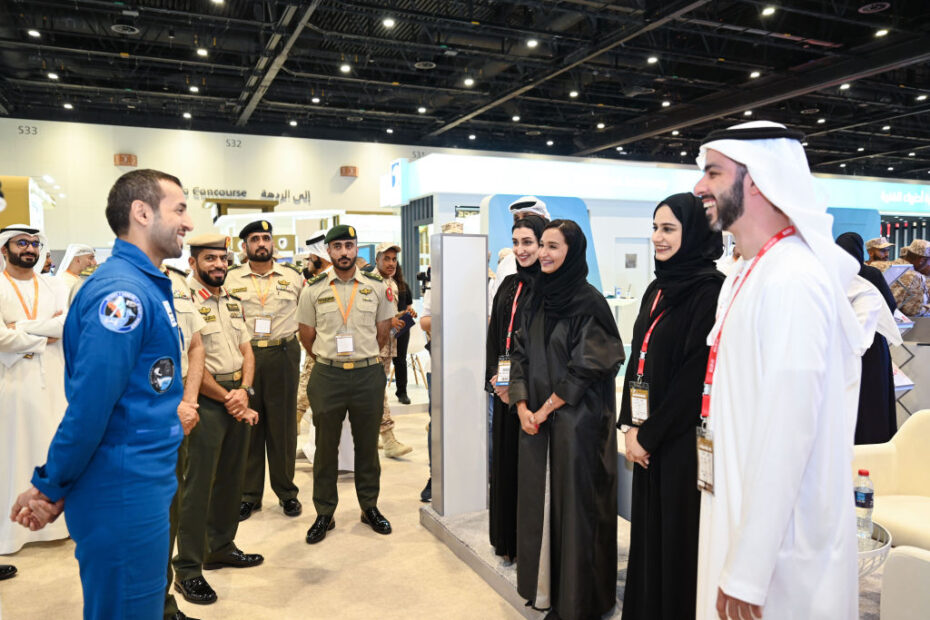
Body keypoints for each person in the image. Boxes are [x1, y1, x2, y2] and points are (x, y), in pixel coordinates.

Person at [692, 121, 867, 620]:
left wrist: (749, 569)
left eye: (713, 173)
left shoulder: (793, 277)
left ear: (758, 180)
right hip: (742, 517)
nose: (699, 187)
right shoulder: (751, 272)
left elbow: (789, 433)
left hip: (781, 553)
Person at [9, 168, 194, 619]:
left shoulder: (145, 285)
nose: (189, 222)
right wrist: (51, 484)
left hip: (138, 481)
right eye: (180, 209)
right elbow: (92, 407)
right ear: (142, 213)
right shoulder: (122, 296)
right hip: (124, 490)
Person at [509, 219, 624, 620]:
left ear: (572, 252)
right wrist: (522, 405)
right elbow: (519, 353)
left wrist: (543, 409)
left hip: (579, 427)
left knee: (577, 513)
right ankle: (544, 591)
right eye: (541, 245)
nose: (543, 253)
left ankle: (578, 603)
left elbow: (587, 367)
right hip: (537, 423)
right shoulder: (536, 297)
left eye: (553, 246)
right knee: (541, 507)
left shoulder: (588, 303)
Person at [616, 194, 724, 620]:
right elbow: (636, 358)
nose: (657, 238)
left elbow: (693, 378)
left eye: (669, 229)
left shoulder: (709, 290)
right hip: (646, 440)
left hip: (678, 444)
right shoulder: (657, 287)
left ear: (693, 232)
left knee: (676, 539)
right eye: (655, 228)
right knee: (649, 536)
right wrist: (629, 426)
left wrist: (648, 435)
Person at [173, 234, 262, 606]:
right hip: (206, 403)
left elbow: (247, 350)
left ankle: (220, 546)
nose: (219, 266)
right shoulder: (185, 301)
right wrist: (230, 398)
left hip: (236, 398)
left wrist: (244, 390)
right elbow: (191, 360)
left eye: (223, 260)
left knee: (231, 480)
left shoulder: (232, 301)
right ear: (193, 263)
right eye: (210, 259)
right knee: (196, 489)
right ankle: (188, 569)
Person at [297, 225, 394, 545]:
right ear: (329, 251)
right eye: (336, 246)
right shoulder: (313, 288)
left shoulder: (376, 287)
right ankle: (324, 512)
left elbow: (383, 333)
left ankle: (370, 507)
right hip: (328, 375)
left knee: (368, 446)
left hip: (367, 374)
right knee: (325, 447)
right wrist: (331, 358)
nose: (343, 252)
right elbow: (306, 337)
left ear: (357, 250)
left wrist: (361, 356)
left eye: (349, 246)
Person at [225, 220, 303, 521]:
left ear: (273, 243)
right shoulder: (231, 279)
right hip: (246, 356)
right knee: (248, 424)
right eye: (255, 239)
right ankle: (249, 495)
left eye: (266, 238)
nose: (261, 243)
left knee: (283, 426)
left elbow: (306, 316)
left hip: (283, 353)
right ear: (244, 246)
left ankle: (287, 493)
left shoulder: (292, 277)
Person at [1, 224, 70, 557]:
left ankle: (57, 522)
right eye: (21, 243)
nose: (29, 248)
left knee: (52, 444)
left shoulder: (56, 284)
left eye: (34, 243)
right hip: (12, 383)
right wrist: (45, 335)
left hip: (55, 379)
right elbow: (1, 338)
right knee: (14, 451)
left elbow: (67, 324)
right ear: (4, 249)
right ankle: (14, 530)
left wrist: (23, 329)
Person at [485, 215, 544, 561]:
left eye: (529, 243)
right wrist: (496, 377)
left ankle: (526, 545)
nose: (521, 250)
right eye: (517, 242)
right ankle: (505, 540)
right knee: (503, 466)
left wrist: (517, 388)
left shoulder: (548, 289)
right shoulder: (508, 285)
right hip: (503, 390)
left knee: (527, 472)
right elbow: (495, 338)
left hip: (530, 397)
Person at [161, 263, 205, 620]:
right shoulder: (113, 285)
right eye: (177, 212)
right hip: (144, 421)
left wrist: (188, 402)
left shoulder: (177, 283)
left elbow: (195, 344)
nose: (185, 222)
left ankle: (162, 601)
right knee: (150, 518)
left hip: (179, 412)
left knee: (171, 512)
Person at [836, 233, 902, 445]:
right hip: (874, 349)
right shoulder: (871, 274)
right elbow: (889, 306)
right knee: (874, 398)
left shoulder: (832, 274)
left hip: (842, 348)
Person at [374, 241, 414, 457]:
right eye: (386, 258)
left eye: (394, 259)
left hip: (389, 346)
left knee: (377, 394)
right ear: (377, 259)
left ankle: (371, 436)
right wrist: (389, 322)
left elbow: (387, 315)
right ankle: (388, 440)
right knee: (379, 393)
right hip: (373, 349)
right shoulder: (370, 283)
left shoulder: (393, 283)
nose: (391, 263)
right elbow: (365, 318)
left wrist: (401, 317)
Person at [488, 197, 551, 310]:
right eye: (516, 219)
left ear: (542, 220)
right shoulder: (506, 264)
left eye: (527, 217)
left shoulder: (556, 264)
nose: (521, 222)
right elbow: (494, 308)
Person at [296, 231, 331, 429]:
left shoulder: (325, 282)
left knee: (308, 390)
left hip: (325, 347)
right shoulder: (314, 283)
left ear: (317, 257)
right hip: (320, 347)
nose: (307, 264)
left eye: (310, 259)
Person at [873, 239, 930, 317]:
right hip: (894, 324)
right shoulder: (915, 277)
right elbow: (912, 311)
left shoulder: (877, 265)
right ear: (922, 260)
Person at [390, 253, 415, 405]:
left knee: (400, 360)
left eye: (394, 261)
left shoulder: (404, 287)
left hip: (402, 328)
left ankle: (402, 391)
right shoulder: (379, 285)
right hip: (384, 326)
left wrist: (410, 313)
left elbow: (409, 307)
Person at [419, 282, 433, 503]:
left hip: (474, 362)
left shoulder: (486, 283)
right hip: (439, 366)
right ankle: (436, 476)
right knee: (437, 422)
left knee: (483, 421)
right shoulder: (435, 286)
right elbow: (425, 321)